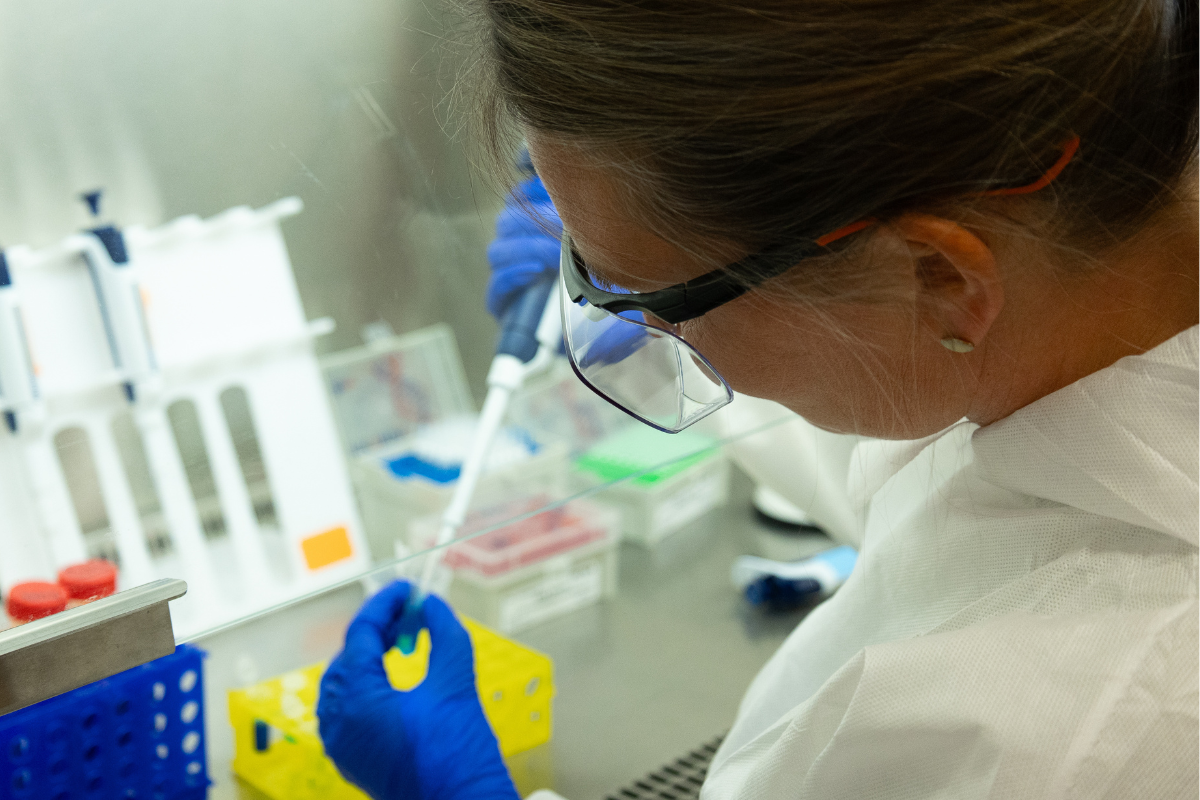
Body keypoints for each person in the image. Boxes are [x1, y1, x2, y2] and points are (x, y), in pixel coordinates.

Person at [318, 0, 1199, 797]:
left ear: (941, 274)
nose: (622, 315)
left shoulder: (1068, 741)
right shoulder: (1083, 312)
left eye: (656, 301)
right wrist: (651, 266)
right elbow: (914, 449)